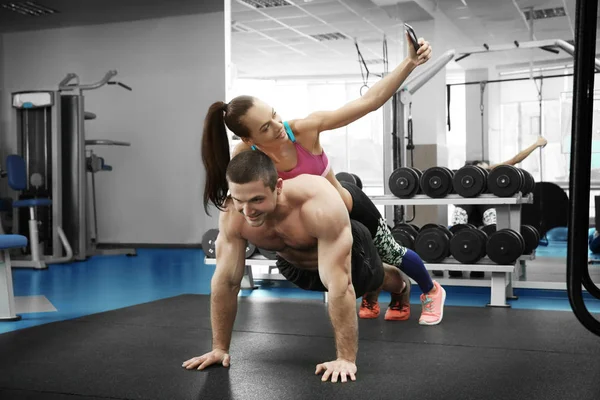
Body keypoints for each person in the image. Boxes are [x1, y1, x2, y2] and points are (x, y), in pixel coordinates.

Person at [201, 33, 446, 326]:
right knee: (355, 266)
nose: (279, 127)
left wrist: (410, 62)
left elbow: (369, 102)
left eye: (275, 115)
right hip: (315, 219)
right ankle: (375, 290)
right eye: (266, 128)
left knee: (390, 251)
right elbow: (242, 195)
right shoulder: (245, 155)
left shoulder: (304, 130)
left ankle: (432, 290)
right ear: (247, 138)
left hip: (349, 204)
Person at [184, 151, 413, 383]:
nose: (247, 211)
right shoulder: (233, 213)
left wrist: (345, 359)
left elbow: (340, 285)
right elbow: (227, 280)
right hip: (295, 267)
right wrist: (219, 348)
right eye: (239, 199)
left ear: (278, 187)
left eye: (256, 200)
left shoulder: (317, 203)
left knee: (375, 279)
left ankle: (400, 287)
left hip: (352, 257)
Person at [451, 135, 548, 227]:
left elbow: (514, 160)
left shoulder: (490, 172)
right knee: (460, 212)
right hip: (468, 206)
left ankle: (492, 231)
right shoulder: (464, 178)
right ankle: (458, 230)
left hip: (486, 207)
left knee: (490, 213)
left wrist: (536, 144)